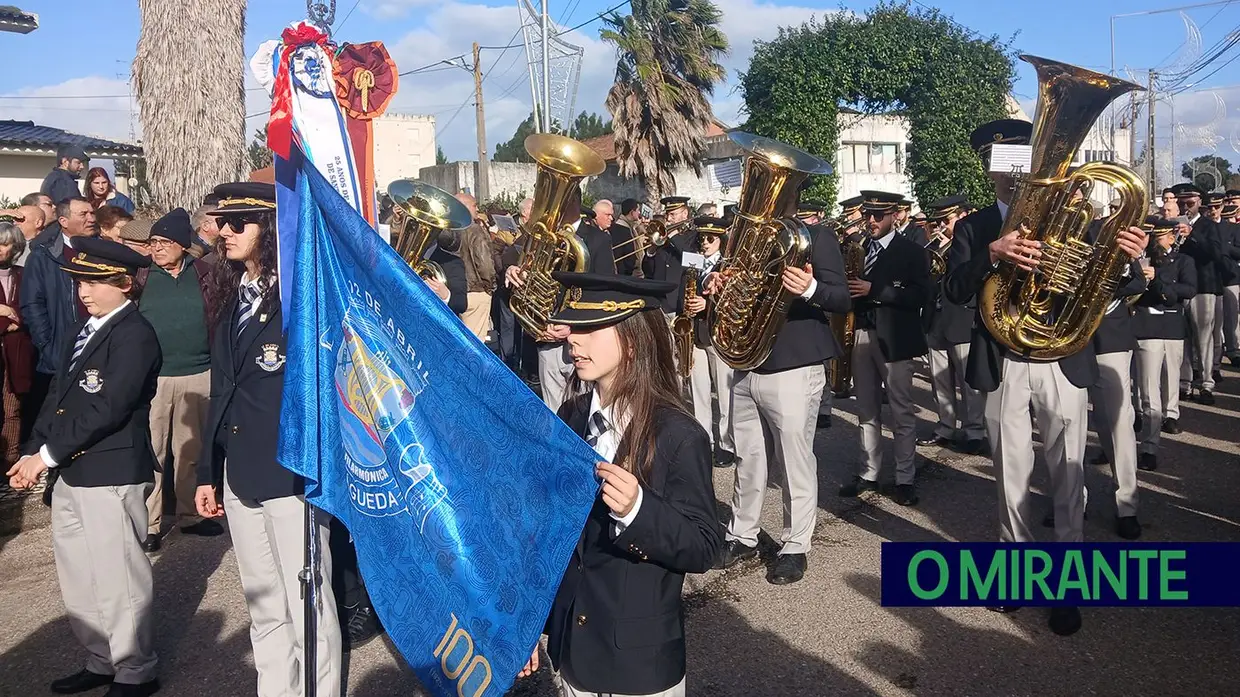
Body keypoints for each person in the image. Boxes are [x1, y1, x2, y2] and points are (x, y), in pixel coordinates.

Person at [944, 119, 1147, 636]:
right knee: (1010, 474)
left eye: (1023, 158)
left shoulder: (1078, 218)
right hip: (1003, 361)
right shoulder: (974, 226)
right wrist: (992, 253)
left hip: (1062, 359)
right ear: (990, 169)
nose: (1014, 172)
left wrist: (1126, 255)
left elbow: (1118, 283)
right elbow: (953, 290)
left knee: (1068, 474)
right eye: (1002, 161)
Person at [519, 272, 721, 697]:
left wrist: (639, 511)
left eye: (590, 329)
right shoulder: (572, 415)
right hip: (572, 649)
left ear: (632, 341)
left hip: (637, 664)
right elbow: (551, 531)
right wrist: (528, 623)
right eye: (573, 327)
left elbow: (704, 546)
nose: (573, 340)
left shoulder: (678, 435)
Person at [194, 182, 341, 697]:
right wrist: (208, 472)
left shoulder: (300, 296)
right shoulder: (230, 294)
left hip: (290, 469)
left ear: (272, 227)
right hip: (239, 470)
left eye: (240, 222)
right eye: (222, 222)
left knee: (308, 603)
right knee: (262, 603)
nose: (225, 231)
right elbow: (222, 389)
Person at [7, 237, 162, 697]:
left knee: (119, 576)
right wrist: (32, 450)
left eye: (94, 282)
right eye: (79, 282)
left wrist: (46, 457)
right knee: (79, 576)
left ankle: (136, 668)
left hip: (110, 472)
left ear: (125, 284)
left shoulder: (135, 334)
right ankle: (102, 658)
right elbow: (59, 397)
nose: (84, 291)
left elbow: (109, 406)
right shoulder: (85, 328)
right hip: (71, 471)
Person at [710, 191, 851, 585]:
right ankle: (742, 534)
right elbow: (731, 281)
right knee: (748, 456)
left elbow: (841, 298)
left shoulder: (817, 237)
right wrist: (718, 283)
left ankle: (795, 545)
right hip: (747, 361)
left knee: (794, 459)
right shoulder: (745, 239)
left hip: (794, 363)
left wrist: (810, 288)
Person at [135, 208, 221, 552]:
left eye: (164, 242)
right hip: (155, 378)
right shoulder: (141, 277)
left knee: (191, 451)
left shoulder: (205, 273)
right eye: (153, 242)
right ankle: (149, 524)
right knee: (154, 451)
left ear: (182, 244)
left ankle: (190, 515)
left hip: (199, 374)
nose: (156, 248)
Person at [839, 191, 931, 507]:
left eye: (878, 216)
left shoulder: (912, 251)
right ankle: (869, 472)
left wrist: (874, 290)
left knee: (902, 412)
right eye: (868, 215)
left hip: (896, 338)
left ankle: (905, 478)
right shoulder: (859, 248)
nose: (871, 221)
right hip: (863, 333)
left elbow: (920, 296)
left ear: (894, 215)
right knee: (866, 409)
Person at [1082, 218, 1148, 540]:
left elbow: (1137, 282)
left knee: (1119, 422)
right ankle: (1071, 498)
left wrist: (1114, 273)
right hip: (1066, 338)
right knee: (1065, 423)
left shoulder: (1104, 231)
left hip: (1110, 336)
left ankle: (1126, 505)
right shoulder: (1047, 227)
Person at [20, 197, 96, 443]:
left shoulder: (101, 252)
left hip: (97, 347)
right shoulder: (44, 256)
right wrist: (48, 345)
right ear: (63, 220)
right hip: (60, 351)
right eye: (83, 214)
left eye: (92, 213)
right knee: (54, 421)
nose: (91, 218)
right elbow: (32, 304)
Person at [918, 195, 985, 454]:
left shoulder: (972, 242)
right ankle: (945, 426)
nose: (941, 226)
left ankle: (975, 430)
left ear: (963, 216)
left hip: (963, 318)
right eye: (938, 222)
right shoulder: (934, 247)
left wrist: (950, 248)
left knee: (969, 383)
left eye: (946, 220)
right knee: (940, 380)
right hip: (936, 319)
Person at [1134, 218, 1196, 471]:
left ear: (1171, 237)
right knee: (1149, 389)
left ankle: (1171, 414)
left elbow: (1189, 289)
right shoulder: (1140, 260)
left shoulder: (1183, 261)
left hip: (1171, 326)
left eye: (1157, 237)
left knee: (1171, 377)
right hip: (1146, 327)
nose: (1153, 242)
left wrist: (1159, 278)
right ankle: (1149, 446)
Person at [681, 217, 735, 466]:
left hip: (718, 335)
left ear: (721, 239)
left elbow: (734, 301)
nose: (704, 242)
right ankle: (705, 440)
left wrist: (708, 305)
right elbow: (682, 289)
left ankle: (726, 443)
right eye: (701, 237)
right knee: (698, 392)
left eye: (710, 238)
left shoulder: (730, 264)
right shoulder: (692, 260)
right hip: (694, 334)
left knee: (725, 393)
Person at [1170, 183, 1224, 404]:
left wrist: (1192, 235)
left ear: (1200, 202)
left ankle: (1206, 383)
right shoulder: (1174, 224)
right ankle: (1185, 383)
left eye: (1190, 203)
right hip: (1180, 288)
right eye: (1181, 203)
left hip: (1203, 287)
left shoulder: (1208, 225)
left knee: (1203, 338)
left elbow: (1216, 254)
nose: (1186, 207)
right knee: (1183, 338)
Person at [0, 222, 33, 465]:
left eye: (4, 244)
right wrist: (5, 319)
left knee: (13, 408)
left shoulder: (23, 275)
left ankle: (10, 461)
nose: (0, 249)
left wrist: (15, 318)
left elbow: (31, 308)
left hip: (17, 352)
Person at [453, 192, 497, 340]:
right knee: (475, 341)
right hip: (476, 290)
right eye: (474, 205)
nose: (477, 209)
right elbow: (484, 263)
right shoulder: (475, 230)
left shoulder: (449, 228)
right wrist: (490, 286)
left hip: (454, 292)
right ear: (464, 207)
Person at [611, 198, 644, 276]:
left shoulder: (630, 226)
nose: (639, 213)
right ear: (632, 212)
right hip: (626, 274)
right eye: (638, 210)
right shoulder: (620, 228)